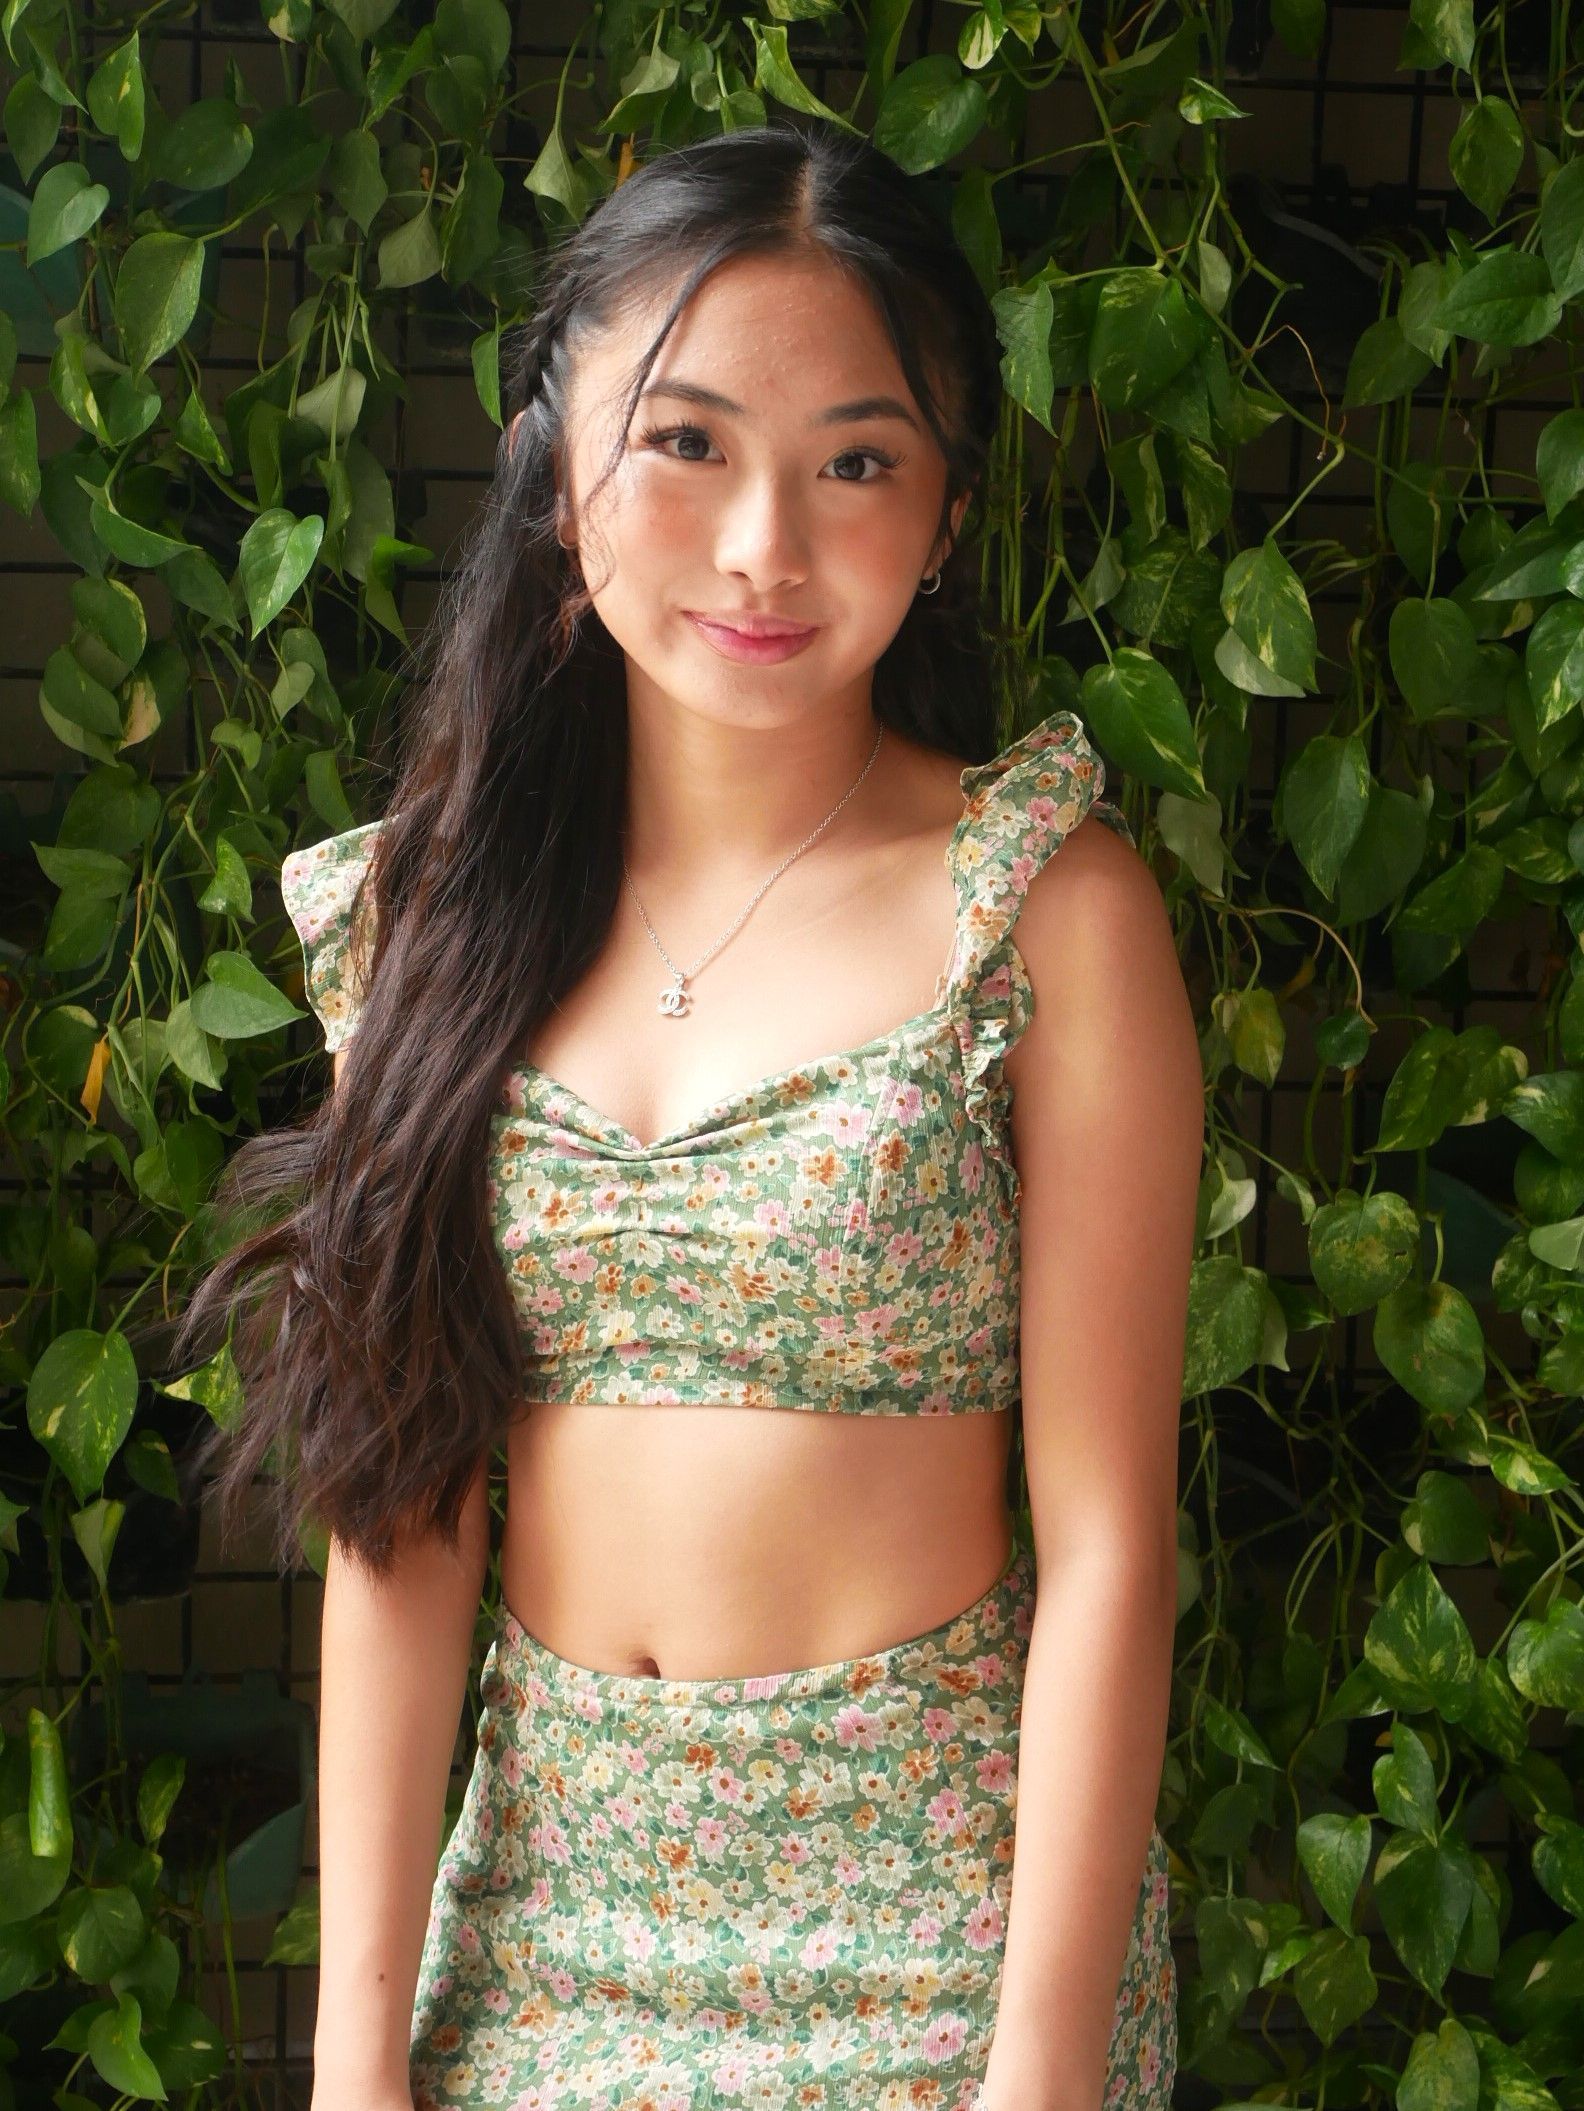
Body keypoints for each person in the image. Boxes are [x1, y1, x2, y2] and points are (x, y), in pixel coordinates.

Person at [179, 116, 1202, 2111]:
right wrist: (352, 2064)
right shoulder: (427, 926)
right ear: (555, 472)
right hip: (541, 1947)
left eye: (856, 461)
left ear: (947, 509)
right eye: (687, 442)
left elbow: (1108, 1550)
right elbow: (404, 1513)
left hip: (932, 1952)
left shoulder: (1043, 910)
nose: (764, 547)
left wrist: (1043, 2072)